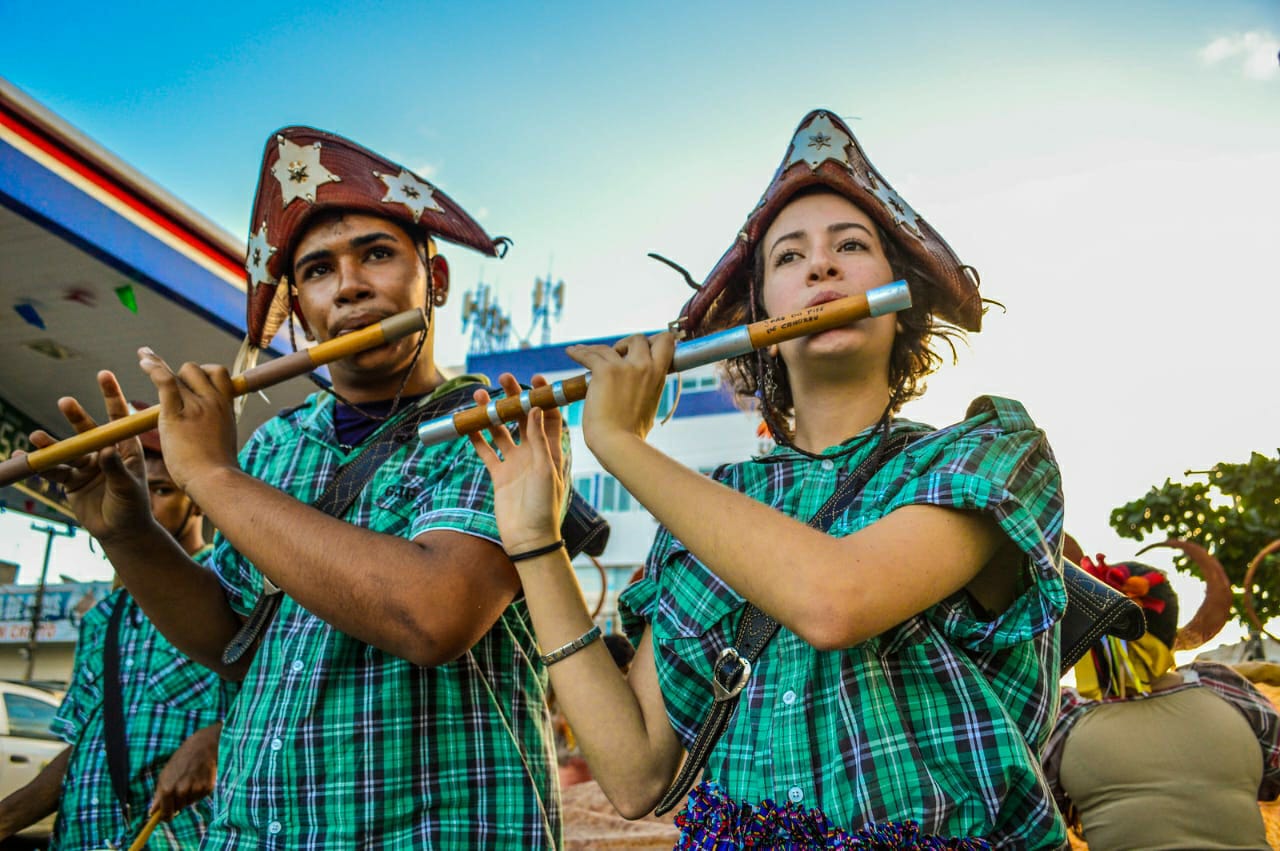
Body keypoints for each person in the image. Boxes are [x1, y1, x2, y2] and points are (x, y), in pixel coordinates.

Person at [470, 109, 1069, 847]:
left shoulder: (986, 454)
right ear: (759, 313)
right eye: (789, 257)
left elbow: (835, 599)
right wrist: (535, 540)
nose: (820, 267)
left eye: (851, 246)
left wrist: (619, 444)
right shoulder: (714, 509)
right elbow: (635, 774)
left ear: (900, 292)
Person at [24, 128, 562, 848]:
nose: (349, 286)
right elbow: (228, 639)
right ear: (299, 313)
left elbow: (434, 615)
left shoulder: (496, 422)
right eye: (317, 271)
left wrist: (208, 474)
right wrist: (127, 534)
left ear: (433, 281)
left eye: (376, 254)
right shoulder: (276, 444)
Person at [0, 430, 227, 850]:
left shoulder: (233, 588)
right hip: (83, 838)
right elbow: (86, 743)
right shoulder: (104, 616)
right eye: (122, 488)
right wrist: (8, 817)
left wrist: (215, 739)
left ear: (196, 500)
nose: (138, 503)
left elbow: (288, 703)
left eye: (160, 489)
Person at [1043, 556, 1280, 850]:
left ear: (1090, 632)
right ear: (1171, 633)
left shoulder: (1064, 713)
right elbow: (1271, 781)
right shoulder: (1222, 686)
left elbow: (1037, 820)